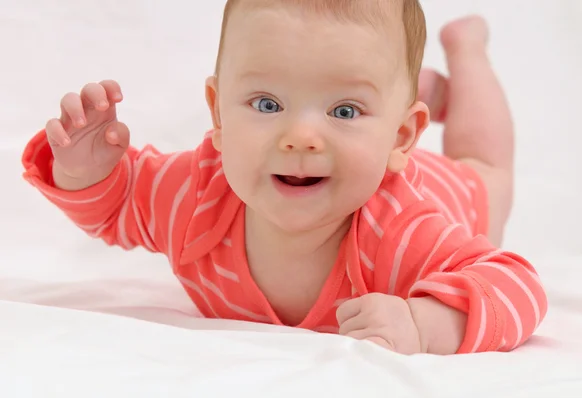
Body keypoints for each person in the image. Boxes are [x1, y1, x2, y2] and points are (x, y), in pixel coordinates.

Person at [21, 0, 547, 355]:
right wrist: (84, 173)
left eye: (343, 111)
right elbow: (120, 205)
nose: (300, 137)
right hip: (380, 146)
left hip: (450, 191)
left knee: (486, 166)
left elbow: (518, 286)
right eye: (268, 103)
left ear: (403, 137)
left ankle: (467, 52)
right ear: (219, 115)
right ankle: (387, 98)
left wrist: (428, 324)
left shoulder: (403, 232)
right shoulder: (196, 198)